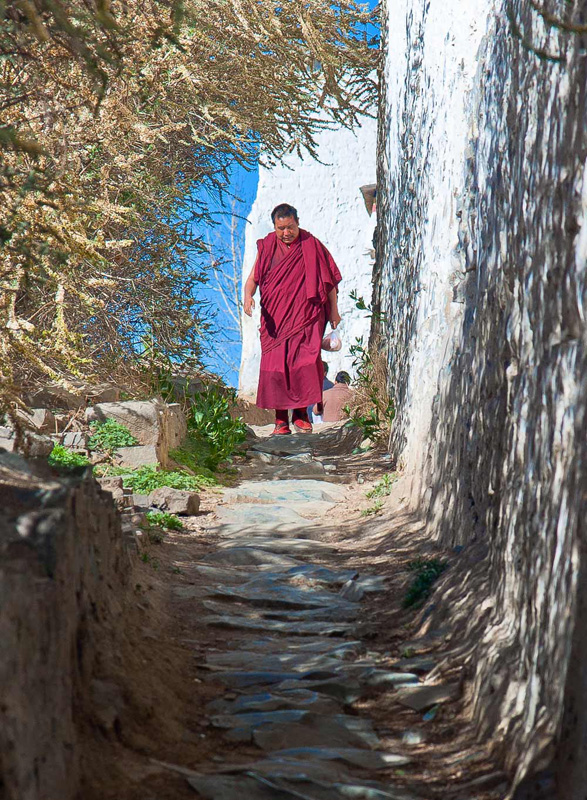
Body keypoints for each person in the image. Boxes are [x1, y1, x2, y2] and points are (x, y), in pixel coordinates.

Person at [244, 203, 341, 435]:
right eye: (281, 228)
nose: (286, 233)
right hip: (275, 320)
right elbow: (253, 278)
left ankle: (300, 416)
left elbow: (328, 283)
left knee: (305, 365)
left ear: (297, 222)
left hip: (307, 317)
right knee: (276, 367)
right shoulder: (267, 246)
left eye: (290, 227)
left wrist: (334, 311)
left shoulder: (311, 245)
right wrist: (247, 297)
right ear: (274, 227)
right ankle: (280, 420)